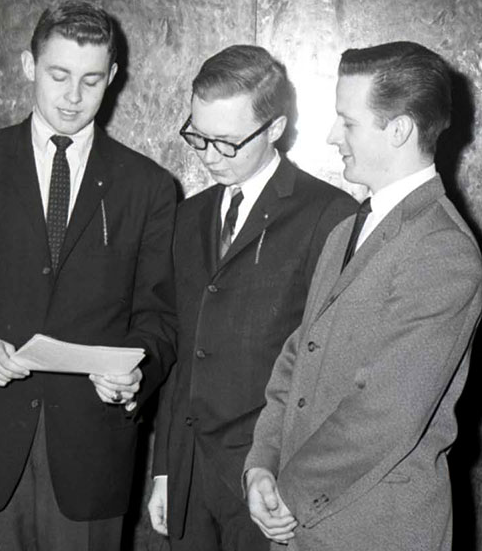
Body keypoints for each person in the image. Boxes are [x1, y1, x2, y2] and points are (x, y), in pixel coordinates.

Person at [0, 0, 176, 551]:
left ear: (113, 78)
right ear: (29, 66)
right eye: (58, 76)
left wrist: (136, 376)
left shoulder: (147, 186)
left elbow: (159, 316)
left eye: (90, 80)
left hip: (91, 452)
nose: (73, 97)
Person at [243, 41, 482, 550]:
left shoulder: (443, 250)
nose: (332, 136)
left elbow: (386, 412)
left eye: (347, 122)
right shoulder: (347, 230)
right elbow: (296, 359)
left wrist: (289, 491)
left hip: (375, 531)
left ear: (398, 130)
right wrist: (261, 464)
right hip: (302, 524)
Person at [146, 45, 357, 551]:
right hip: (190, 473)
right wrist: (166, 469)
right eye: (198, 137)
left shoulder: (330, 215)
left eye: (227, 142)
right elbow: (182, 350)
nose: (210, 156)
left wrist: (298, 481)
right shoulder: (187, 217)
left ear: (275, 128)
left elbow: (333, 369)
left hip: (272, 479)